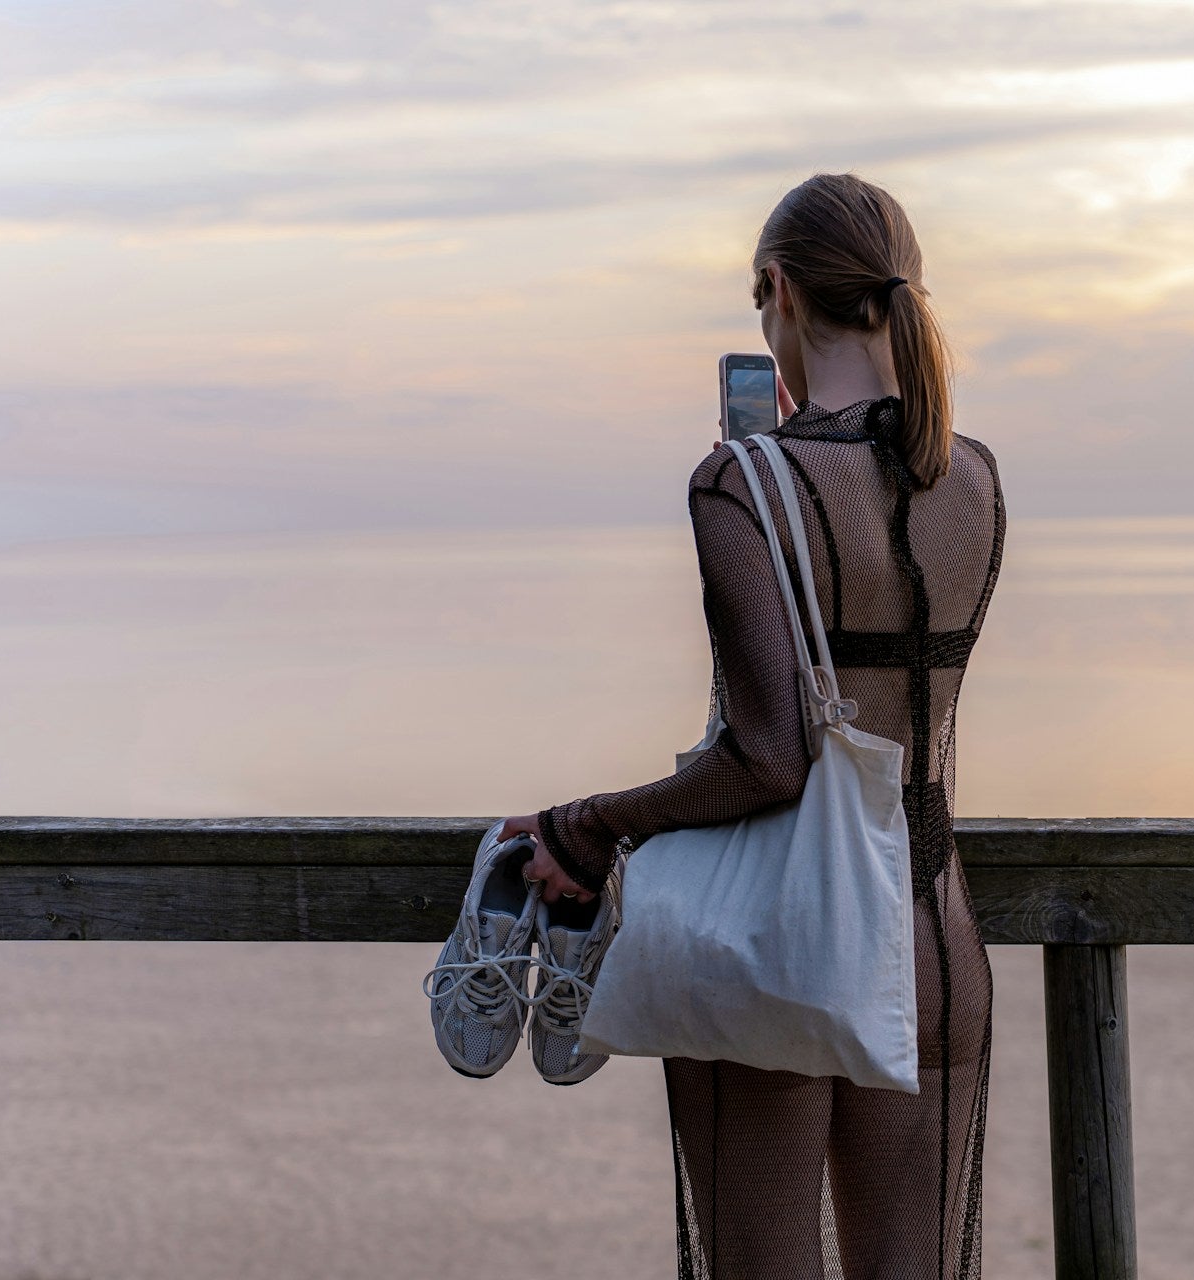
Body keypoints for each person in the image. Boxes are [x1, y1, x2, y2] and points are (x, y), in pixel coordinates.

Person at [498, 171, 1007, 1280]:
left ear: (776, 291)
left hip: (785, 945)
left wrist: (585, 823)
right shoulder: (974, 480)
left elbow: (768, 757)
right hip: (934, 939)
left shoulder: (742, 481)